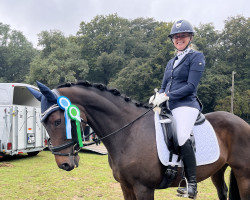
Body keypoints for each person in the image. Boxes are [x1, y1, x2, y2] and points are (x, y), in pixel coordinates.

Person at [150, 19, 205, 199]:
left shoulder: (196, 57)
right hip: (169, 105)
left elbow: (191, 86)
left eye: (183, 36)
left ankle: (192, 184)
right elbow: (165, 85)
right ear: (173, 40)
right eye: (176, 36)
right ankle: (169, 169)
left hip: (186, 104)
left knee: (182, 135)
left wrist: (167, 96)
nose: (179, 39)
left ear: (190, 37)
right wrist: (158, 96)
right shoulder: (170, 62)